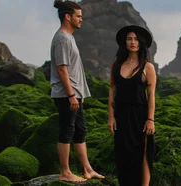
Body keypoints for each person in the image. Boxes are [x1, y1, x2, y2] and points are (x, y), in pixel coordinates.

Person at [50, 0, 104, 183]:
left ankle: (87, 169)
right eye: (78, 16)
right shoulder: (62, 39)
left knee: (80, 130)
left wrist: (79, 95)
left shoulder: (69, 37)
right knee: (67, 130)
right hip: (67, 95)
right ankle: (65, 172)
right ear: (67, 17)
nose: (82, 19)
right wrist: (72, 95)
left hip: (75, 95)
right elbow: (62, 69)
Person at [107, 25, 157, 186]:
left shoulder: (147, 67)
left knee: (143, 152)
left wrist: (150, 119)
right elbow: (112, 92)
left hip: (140, 115)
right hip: (121, 115)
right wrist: (111, 117)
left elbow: (151, 96)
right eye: (129, 39)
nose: (132, 42)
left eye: (136, 39)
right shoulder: (117, 65)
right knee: (122, 154)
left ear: (141, 42)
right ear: (124, 42)